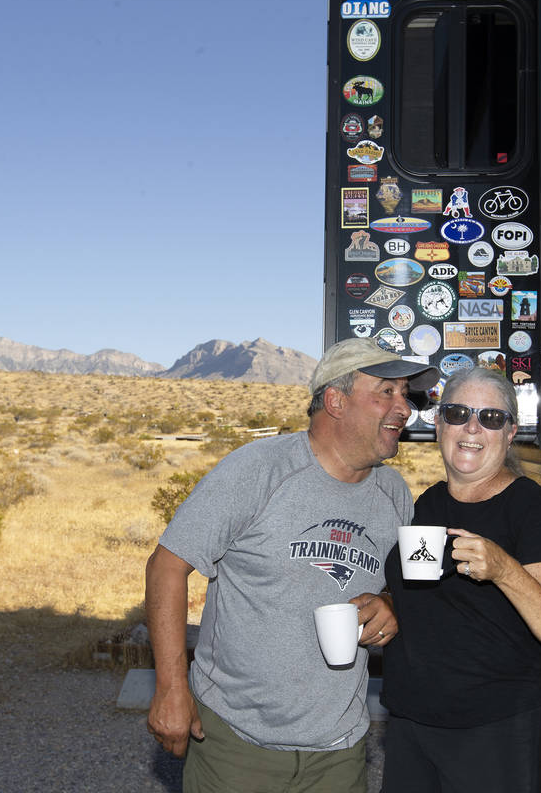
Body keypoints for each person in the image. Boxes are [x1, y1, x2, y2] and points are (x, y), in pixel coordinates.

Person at [145, 337, 439, 793]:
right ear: (336, 401)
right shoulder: (257, 471)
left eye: (406, 394)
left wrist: (387, 603)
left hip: (340, 751)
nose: (405, 409)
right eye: (387, 392)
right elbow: (167, 566)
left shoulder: (394, 493)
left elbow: (399, 587)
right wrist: (170, 687)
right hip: (235, 742)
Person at [379, 367, 541, 793]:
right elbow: (432, 597)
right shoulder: (431, 502)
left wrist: (504, 570)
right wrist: (387, 601)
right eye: (458, 413)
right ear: (438, 423)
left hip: (491, 731)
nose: (472, 428)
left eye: (491, 418)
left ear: (510, 433)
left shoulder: (534, 511)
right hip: (409, 722)